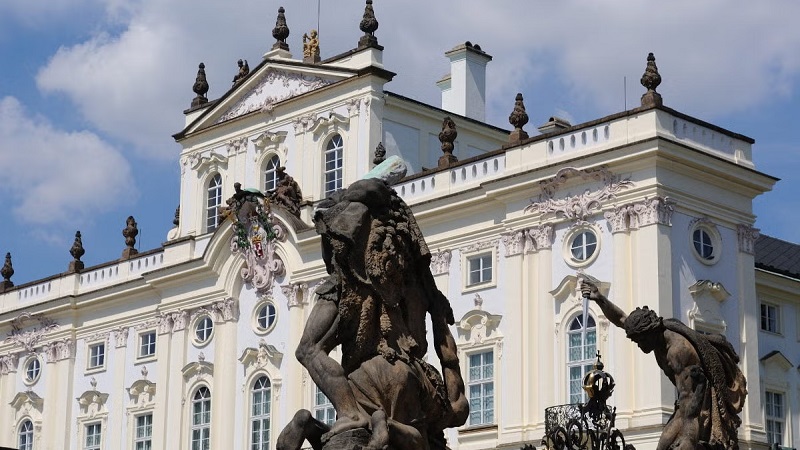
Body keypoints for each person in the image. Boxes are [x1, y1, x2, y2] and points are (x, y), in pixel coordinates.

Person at [580, 281, 747, 450]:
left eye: (640, 341)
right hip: (685, 402)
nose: (639, 345)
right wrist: (600, 298)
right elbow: (622, 319)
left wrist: (688, 439)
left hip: (699, 401)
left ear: (650, 332)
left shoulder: (678, 353)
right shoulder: (653, 334)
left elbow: (689, 409)